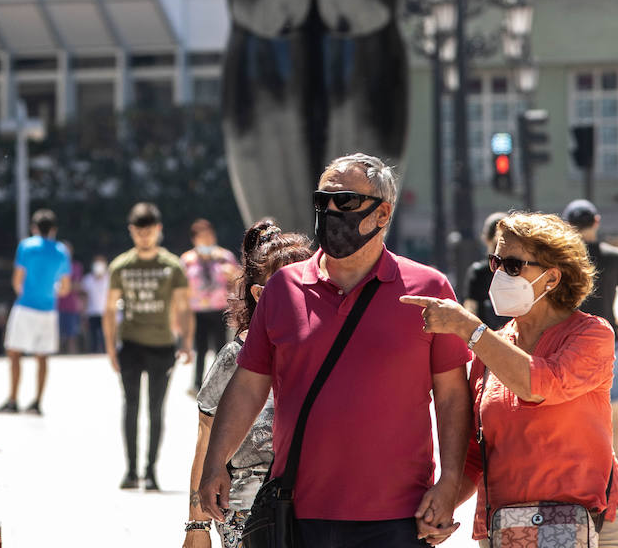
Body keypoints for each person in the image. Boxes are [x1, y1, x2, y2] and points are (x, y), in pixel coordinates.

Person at [197, 153, 470, 548]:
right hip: (297, 514)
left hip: (395, 517)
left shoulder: (428, 289)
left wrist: (448, 486)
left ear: (382, 213)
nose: (330, 211)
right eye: (323, 200)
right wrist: (214, 462)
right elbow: (248, 385)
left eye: (346, 202)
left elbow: (452, 397)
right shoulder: (283, 288)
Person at [403, 212, 618, 547]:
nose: (498, 274)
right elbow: (475, 454)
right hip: (505, 527)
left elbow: (540, 386)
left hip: (584, 523)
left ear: (552, 278)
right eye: (495, 262)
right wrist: (444, 503)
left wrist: (467, 327)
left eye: (512, 266)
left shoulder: (591, 334)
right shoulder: (491, 347)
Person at [183, 221, 314, 548]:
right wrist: (196, 526)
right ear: (260, 294)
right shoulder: (235, 357)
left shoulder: (323, 354)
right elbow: (205, 442)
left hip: (312, 507)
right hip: (246, 512)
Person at [105, 201, 193, 492]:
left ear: (158, 230)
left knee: (156, 409)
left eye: (149, 231)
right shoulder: (121, 265)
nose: (144, 237)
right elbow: (108, 309)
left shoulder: (171, 265)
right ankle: (131, 471)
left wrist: (188, 342)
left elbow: (183, 306)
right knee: (130, 407)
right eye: (138, 231)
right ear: (132, 231)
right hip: (130, 344)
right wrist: (109, 346)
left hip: (162, 345)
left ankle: (151, 471)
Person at [563, 198, 618, 455]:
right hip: (610, 341)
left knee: (572, 411)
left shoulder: (564, 260)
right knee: (614, 410)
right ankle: (611, 475)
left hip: (570, 342)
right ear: (597, 221)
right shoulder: (616, 257)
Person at [0, 209, 73, 414]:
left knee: (14, 352)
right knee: (43, 356)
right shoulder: (62, 251)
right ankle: (37, 402)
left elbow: (17, 281)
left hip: (25, 307)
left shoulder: (26, 246)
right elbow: (65, 288)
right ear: (54, 229)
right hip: (48, 310)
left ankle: (13, 399)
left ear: (34, 228)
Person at [180, 218, 239, 395]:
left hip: (220, 308)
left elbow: (239, 280)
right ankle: (197, 384)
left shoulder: (224, 257)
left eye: (209, 235)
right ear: (194, 239)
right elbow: (180, 288)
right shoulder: (187, 260)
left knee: (221, 347)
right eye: (202, 236)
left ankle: (220, 383)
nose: (206, 239)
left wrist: (233, 274)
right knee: (201, 347)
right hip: (197, 311)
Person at [463, 213, 509, 330]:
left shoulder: (478, 271)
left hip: (486, 335)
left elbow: (471, 309)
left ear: (485, 238)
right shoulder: (519, 269)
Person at [56, 242, 84, 354]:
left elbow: (77, 286)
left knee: (72, 337)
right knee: (56, 338)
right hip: (55, 307)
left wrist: (62, 286)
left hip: (71, 307)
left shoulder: (76, 266)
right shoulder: (55, 265)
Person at [81, 253, 111, 354]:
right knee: (92, 337)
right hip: (91, 312)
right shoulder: (87, 279)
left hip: (106, 312)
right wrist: (83, 313)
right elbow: (84, 297)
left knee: (106, 336)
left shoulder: (109, 278)